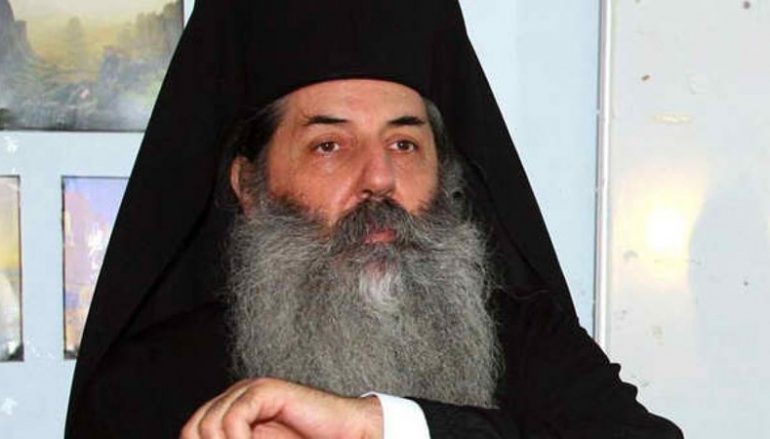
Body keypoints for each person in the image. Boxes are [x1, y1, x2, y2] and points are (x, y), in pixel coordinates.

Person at [65, 1, 682, 438]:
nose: (380, 178)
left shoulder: (527, 337)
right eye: (329, 145)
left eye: (405, 144)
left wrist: (380, 426)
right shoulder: (144, 391)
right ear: (248, 186)